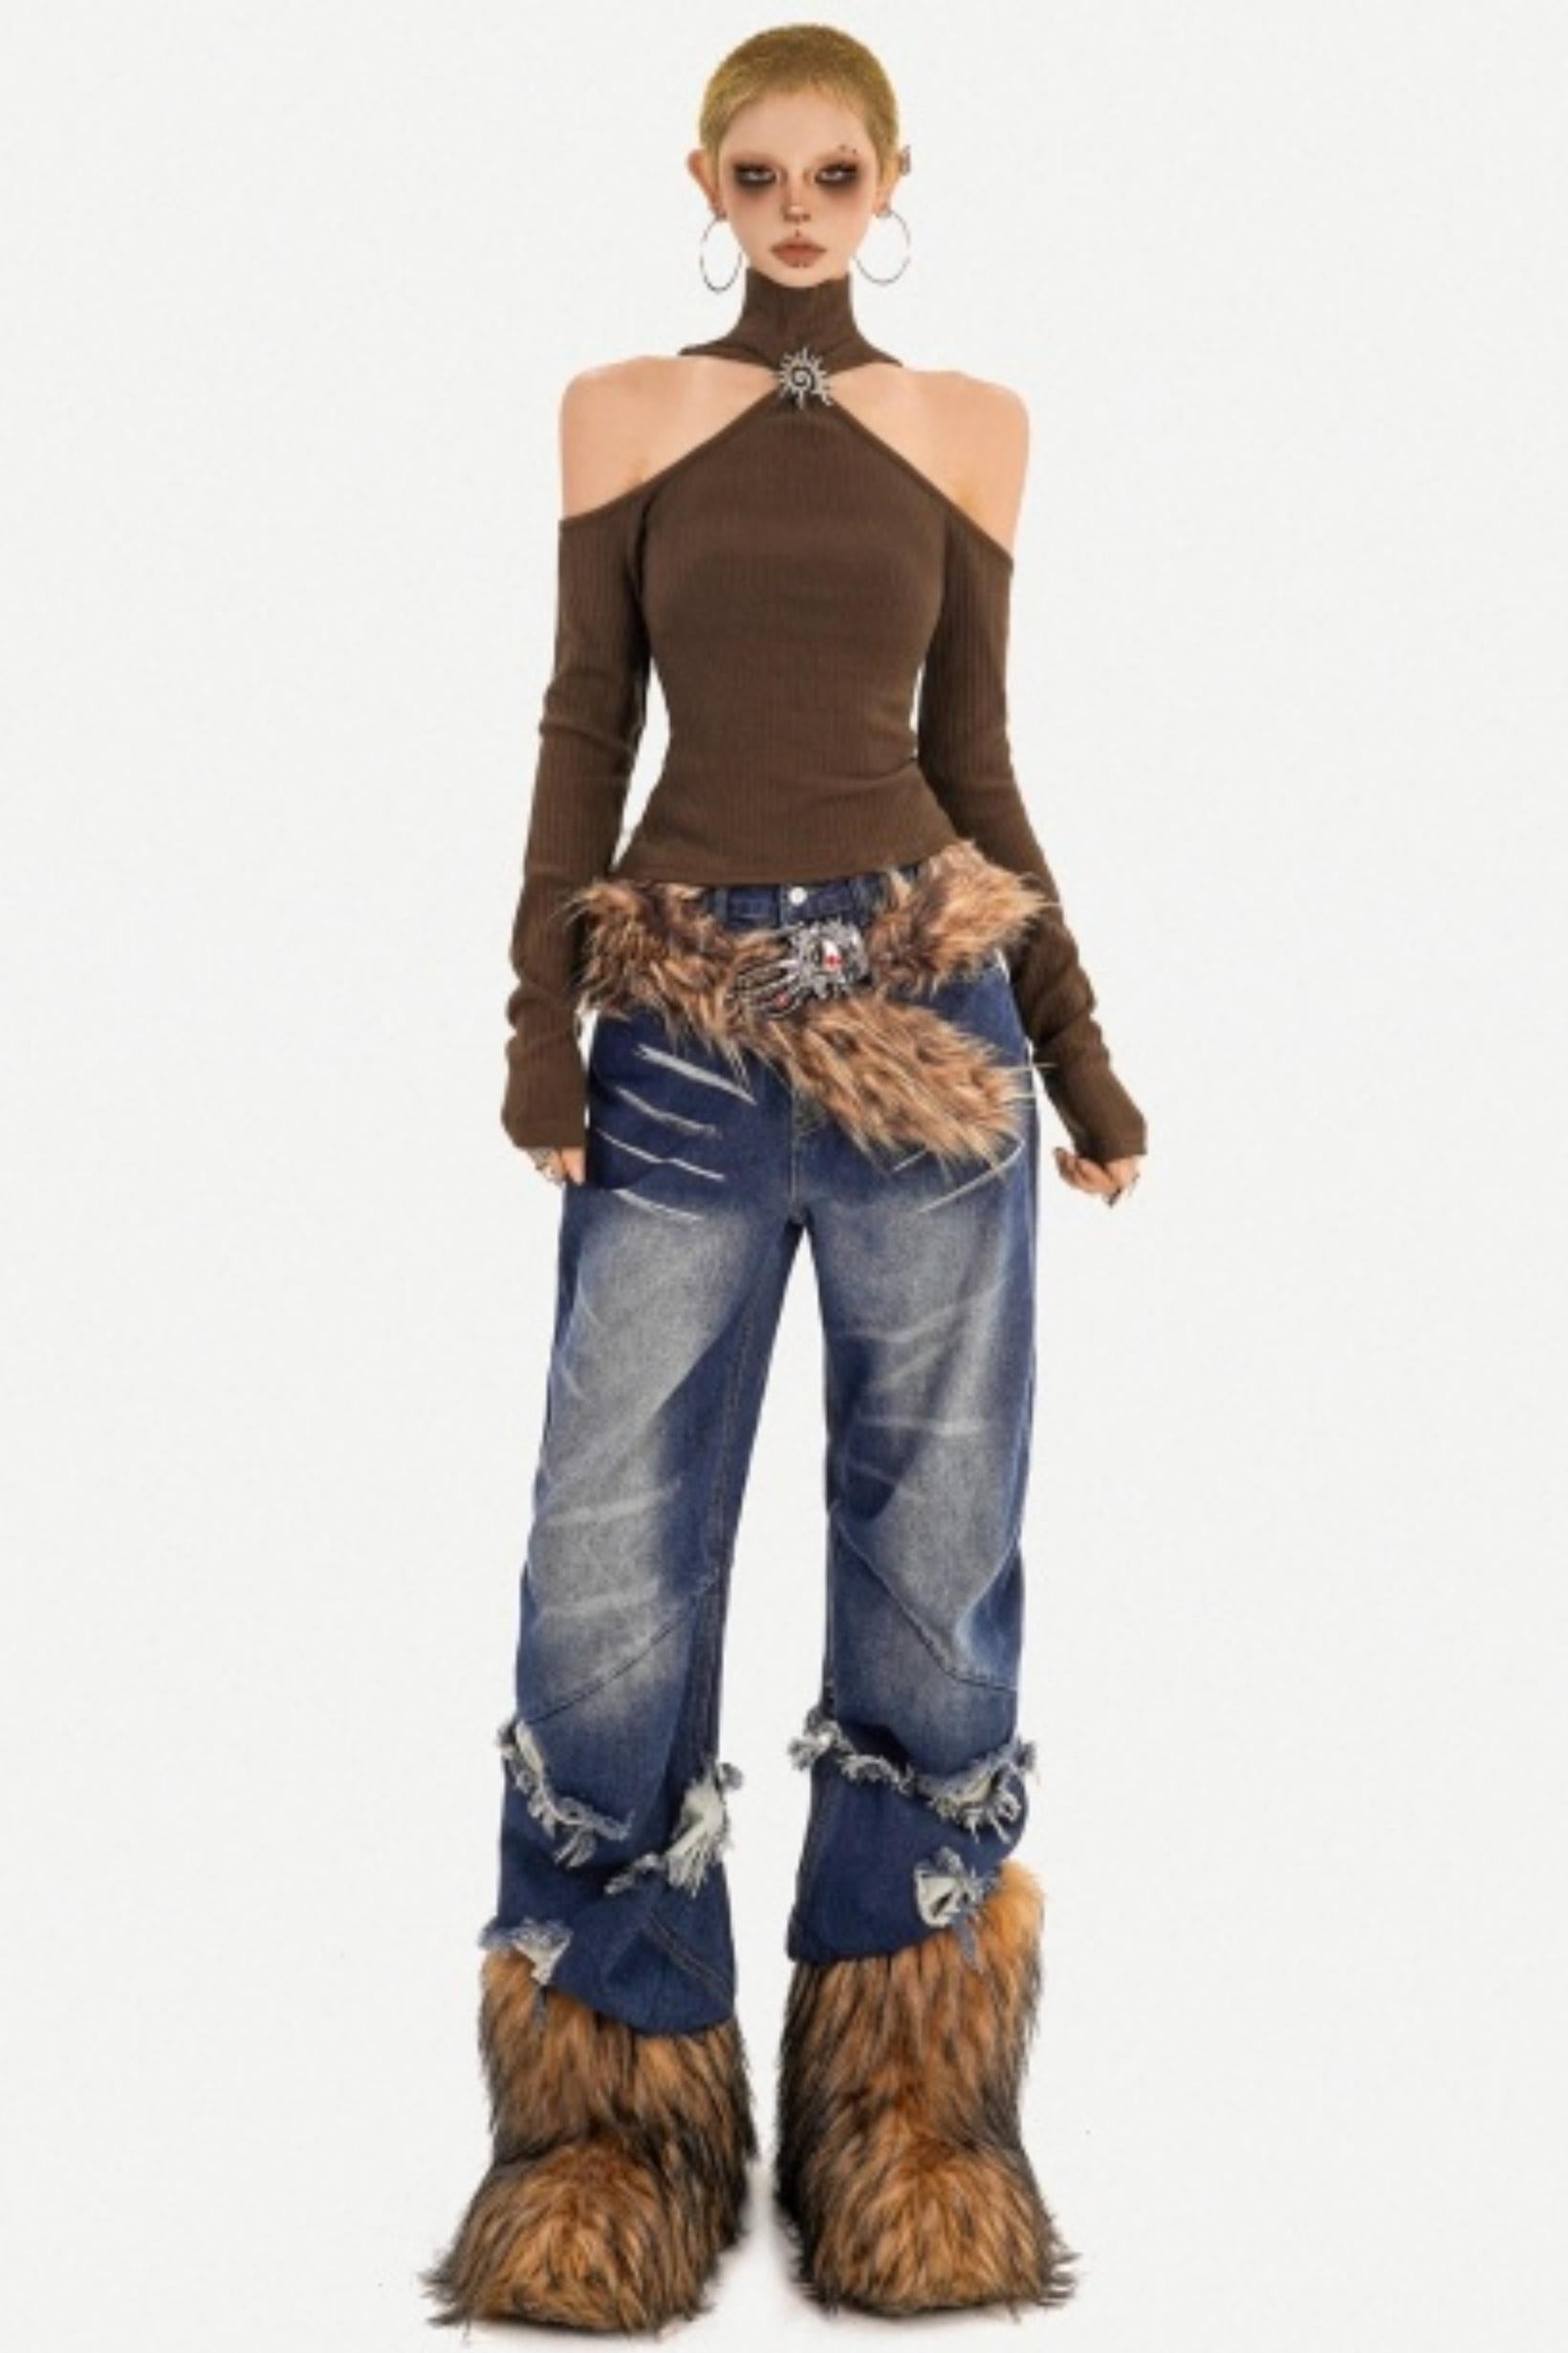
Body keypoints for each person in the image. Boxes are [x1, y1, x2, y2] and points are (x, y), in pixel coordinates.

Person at [424, 25, 1147, 2334]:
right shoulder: (624, 413)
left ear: (892, 181)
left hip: (932, 1028)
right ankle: (603, 2125)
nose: (801, 209)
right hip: (684, 1033)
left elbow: (974, 757)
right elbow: (583, 723)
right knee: (610, 1555)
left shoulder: (971, 428)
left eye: (839, 173)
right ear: (708, 186)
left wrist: (1078, 1057)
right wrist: (540, 1026)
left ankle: (912, 2119)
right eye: (763, 174)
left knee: (937, 1547)